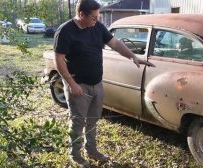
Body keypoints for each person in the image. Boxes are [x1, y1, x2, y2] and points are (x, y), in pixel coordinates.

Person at [53, 0, 154, 167]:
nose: (96, 20)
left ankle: (91, 150)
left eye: (97, 17)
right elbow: (59, 59)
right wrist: (71, 83)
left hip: (97, 84)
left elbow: (115, 43)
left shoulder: (97, 27)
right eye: (93, 17)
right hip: (78, 85)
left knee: (93, 119)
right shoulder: (65, 31)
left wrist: (132, 56)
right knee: (78, 121)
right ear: (81, 15)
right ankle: (76, 155)